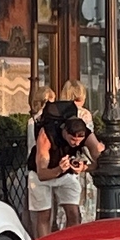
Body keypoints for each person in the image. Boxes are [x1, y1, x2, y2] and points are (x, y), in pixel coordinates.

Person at [26, 79, 99, 228]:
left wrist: (85, 167)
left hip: (66, 172)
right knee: (44, 215)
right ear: (65, 132)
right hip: (43, 170)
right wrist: (59, 169)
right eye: (73, 140)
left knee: (73, 212)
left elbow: (100, 159)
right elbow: (42, 174)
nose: (76, 144)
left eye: (80, 140)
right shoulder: (46, 136)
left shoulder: (86, 133)